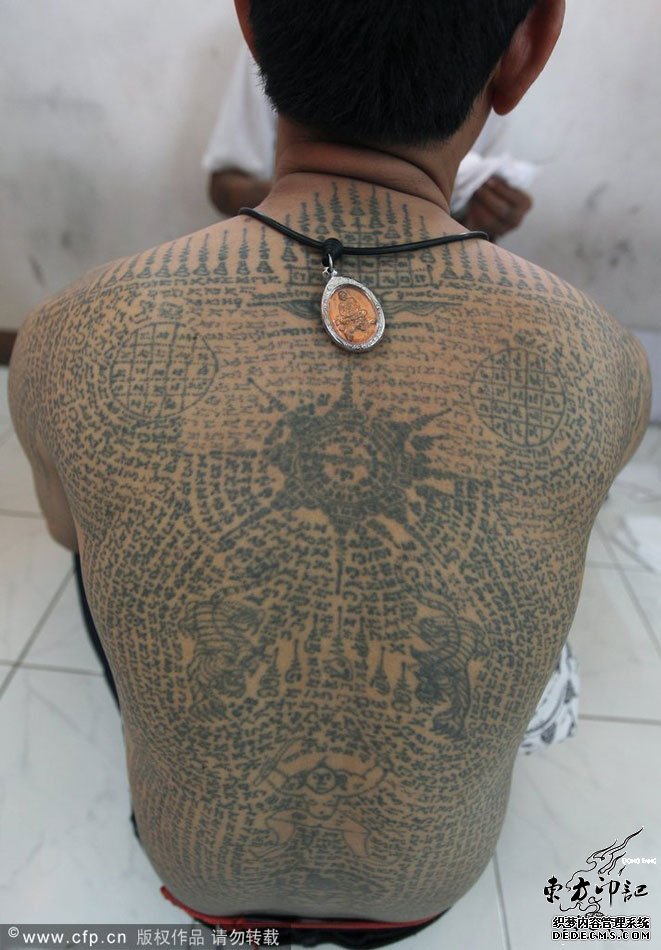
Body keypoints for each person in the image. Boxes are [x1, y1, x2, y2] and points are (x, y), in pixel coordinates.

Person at [8, 0, 651, 945]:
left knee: (101, 523)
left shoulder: (69, 336)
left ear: (251, 25)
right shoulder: (601, 361)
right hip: (425, 889)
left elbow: (71, 537)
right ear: (528, 46)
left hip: (196, 870)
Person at [205, 44, 534, 239]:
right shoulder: (285, 27)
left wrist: (489, 219)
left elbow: (477, 219)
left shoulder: (489, 58)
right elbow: (225, 185)